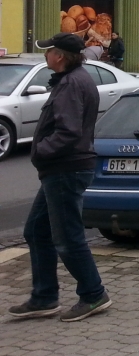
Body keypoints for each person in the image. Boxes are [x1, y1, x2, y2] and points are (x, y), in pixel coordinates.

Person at [9, 33, 111, 322]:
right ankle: (44, 297)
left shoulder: (71, 84)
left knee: (67, 237)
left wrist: (41, 151)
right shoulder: (72, 80)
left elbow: (68, 132)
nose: (45, 55)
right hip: (61, 169)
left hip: (66, 168)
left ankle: (93, 294)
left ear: (60, 56)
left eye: (48, 50)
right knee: (36, 232)